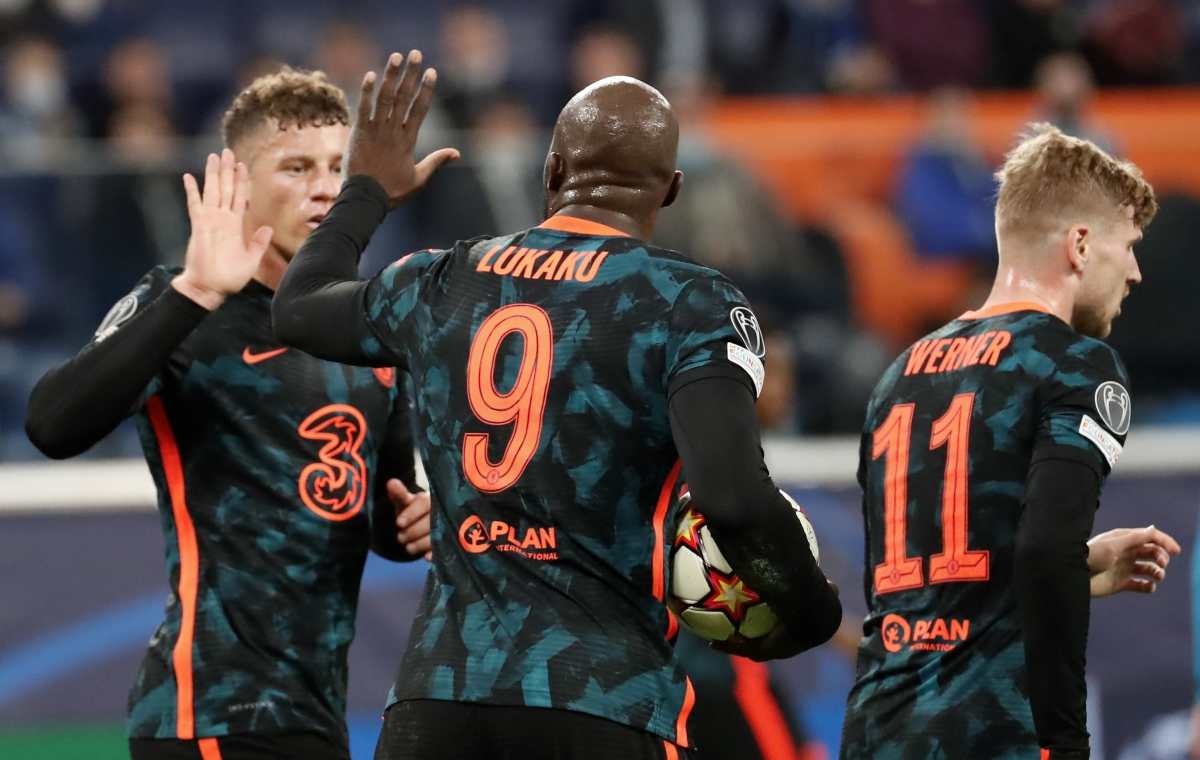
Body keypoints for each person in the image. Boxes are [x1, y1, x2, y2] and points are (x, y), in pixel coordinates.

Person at [272, 51, 842, 759]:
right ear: (670, 190)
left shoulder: (445, 278)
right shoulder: (689, 302)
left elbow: (296, 308)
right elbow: (733, 498)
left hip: (437, 699)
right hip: (604, 700)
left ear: (552, 172)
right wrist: (812, 612)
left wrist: (365, 190)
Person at [24, 67, 432, 760]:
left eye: (338, 167)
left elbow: (377, 513)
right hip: (209, 709)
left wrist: (411, 523)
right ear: (238, 181)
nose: (325, 188)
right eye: (297, 167)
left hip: (316, 714)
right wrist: (193, 293)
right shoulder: (184, 304)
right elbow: (51, 424)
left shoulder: (362, 327)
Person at [839, 123, 1181, 759]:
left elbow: (919, 588)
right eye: (1129, 245)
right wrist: (1064, 741)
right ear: (1080, 244)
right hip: (993, 732)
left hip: (877, 728)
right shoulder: (1075, 363)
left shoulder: (901, 371)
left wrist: (1076, 569)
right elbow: (1045, 547)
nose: (1135, 271)